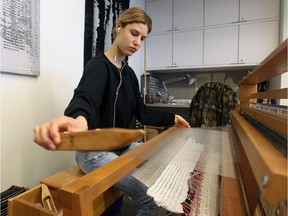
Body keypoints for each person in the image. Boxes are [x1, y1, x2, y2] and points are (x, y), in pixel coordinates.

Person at [33, 7, 190, 216]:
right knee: (153, 199)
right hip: (94, 153)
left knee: (162, 172)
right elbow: (84, 100)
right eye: (134, 33)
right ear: (118, 27)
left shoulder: (130, 75)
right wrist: (79, 122)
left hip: (122, 148)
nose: (137, 42)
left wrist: (172, 117)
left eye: (143, 38)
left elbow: (141, 112)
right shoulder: (98, 66)